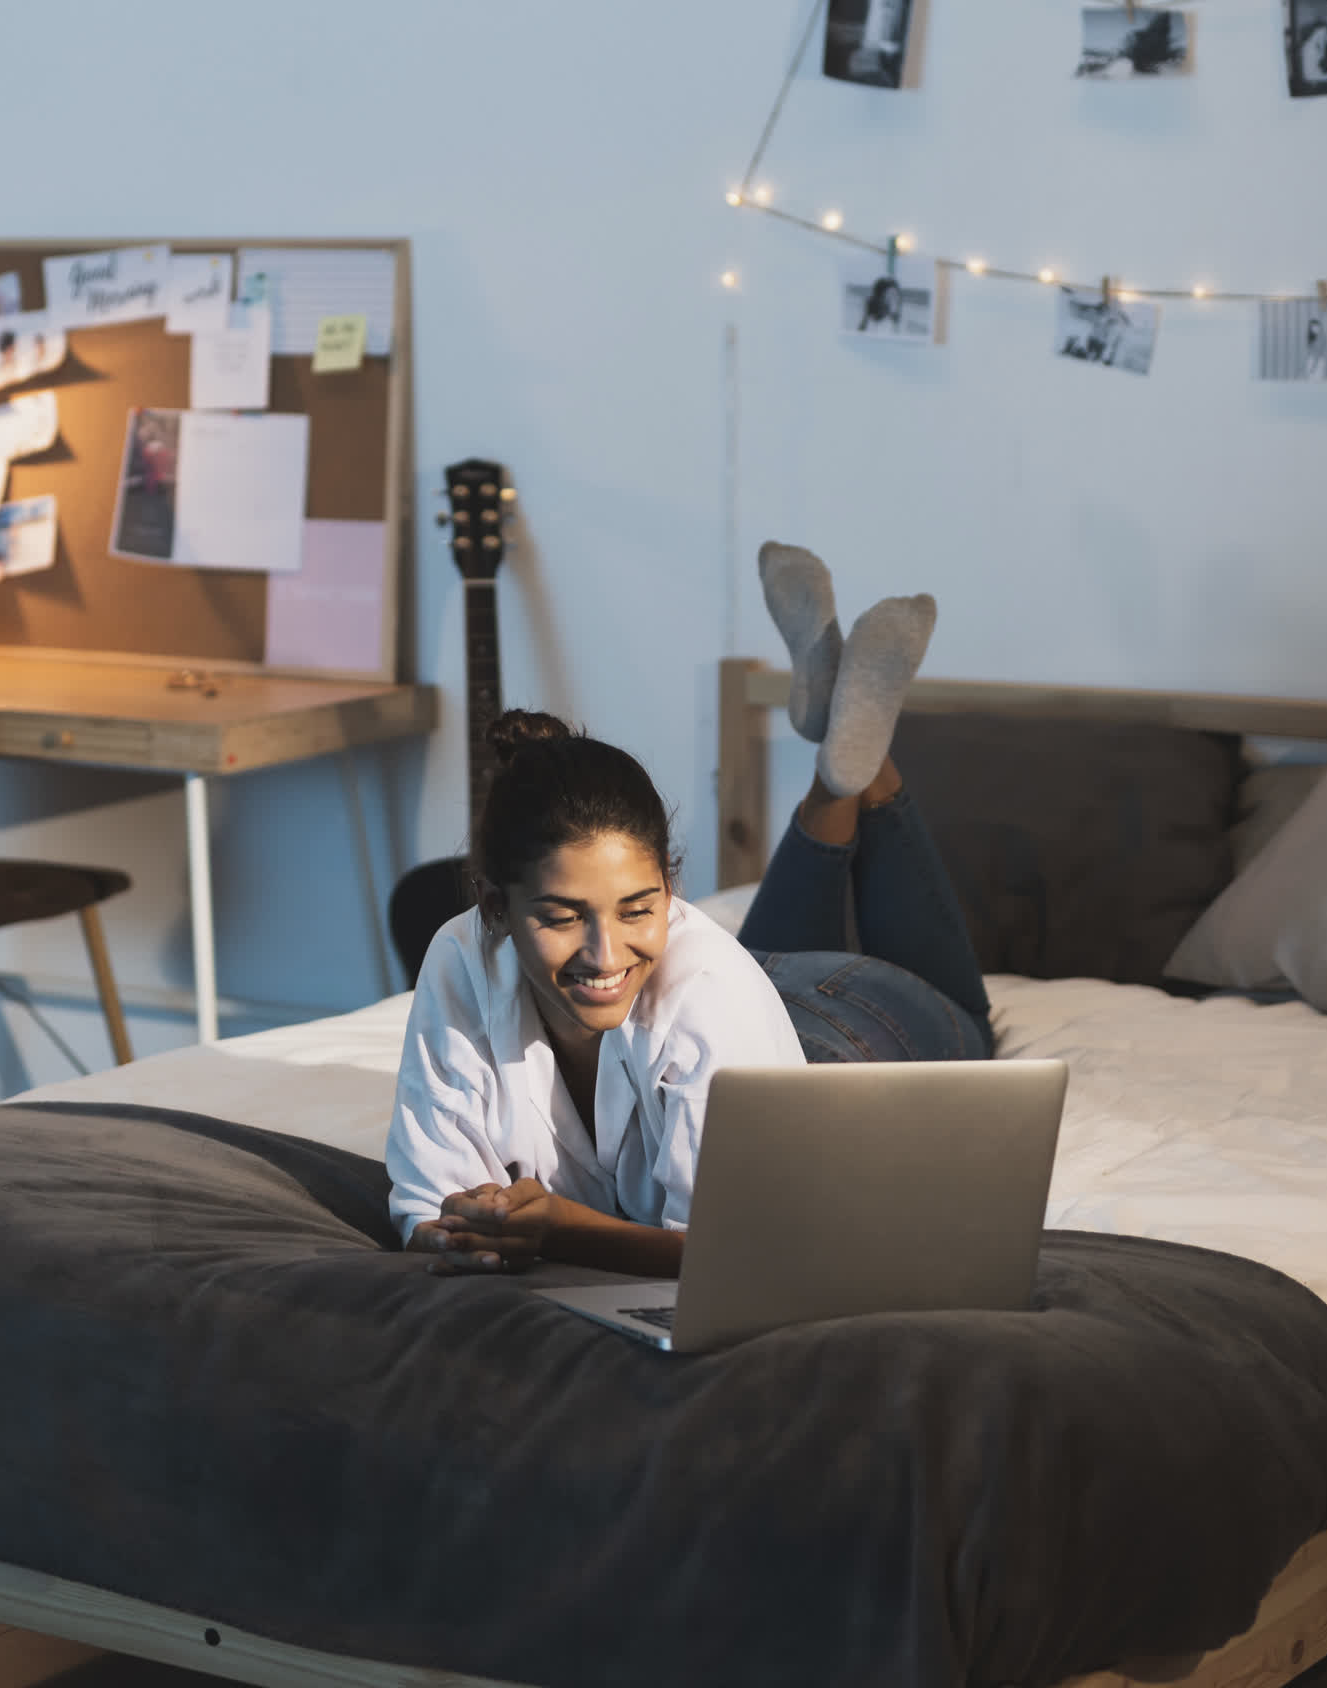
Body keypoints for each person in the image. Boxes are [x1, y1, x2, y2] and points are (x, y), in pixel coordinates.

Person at [386, 541, 992, 1280]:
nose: (605, 954)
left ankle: (860, 766)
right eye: (562, 916)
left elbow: (743, 1250)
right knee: (719, 979)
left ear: (671, 891)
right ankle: (843, 751)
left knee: (968, 1020)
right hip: (756, 985)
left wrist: (560, 1232)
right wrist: (456, 1232)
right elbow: (427, 1203)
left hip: (851, 1026)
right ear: (494, 907)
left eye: (639, 909)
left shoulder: (710, 987)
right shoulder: (459, 957)